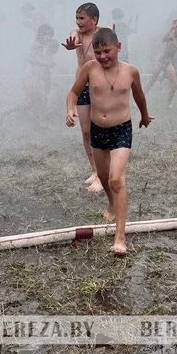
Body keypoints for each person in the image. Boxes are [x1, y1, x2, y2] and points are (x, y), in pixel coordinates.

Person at [66, 27, 152, 256]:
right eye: (98, 52)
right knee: (104, 178)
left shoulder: (130, 71)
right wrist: (70, 109)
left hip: (121, 129)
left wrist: (144, 115)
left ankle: (120, 238)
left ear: (118, 48)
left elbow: (139, 95)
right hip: (98, 129)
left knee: (116, 179)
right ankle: (112, 204)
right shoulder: (90, 68)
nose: (103, 56)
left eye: (107, 51)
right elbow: (73, 92)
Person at [62, 2, 103, 193]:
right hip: (82, 86)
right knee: (86, 132)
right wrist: (71, 41)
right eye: (77, 18)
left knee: (100, 130)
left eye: (82, 19)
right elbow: (73, 36)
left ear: (94, 20)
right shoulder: (77, 34)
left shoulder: (102, 34)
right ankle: (95, 171)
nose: (78, 22)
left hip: (100, 87)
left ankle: (103, 176)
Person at [24, 24, 58, 113]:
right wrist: (46, 64)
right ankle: (40, 120)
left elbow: (42, 58)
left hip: (41, 76)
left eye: (50, 35)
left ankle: (39, 119)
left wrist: (49, 63)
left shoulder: (43, 46)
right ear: (42, 35)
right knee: (37, 100)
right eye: (47, 35)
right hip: (33, 77)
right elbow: (31, 59)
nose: (49, 37)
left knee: (41, 100)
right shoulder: (37, 45)